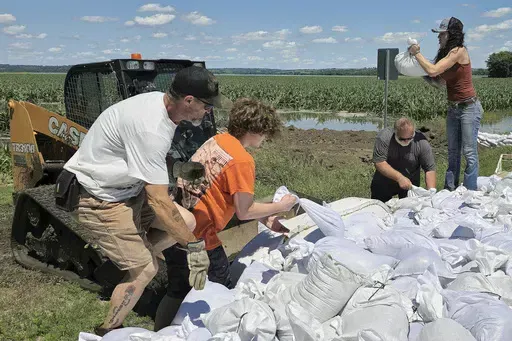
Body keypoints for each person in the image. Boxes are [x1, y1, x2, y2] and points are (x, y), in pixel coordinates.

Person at [61, 65, 231, 336]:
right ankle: (108, 330)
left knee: (186, 220)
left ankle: (133, 255)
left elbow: (151, 160)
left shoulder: (162, 107)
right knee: (146, 270)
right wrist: (196, 250)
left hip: (129, 188)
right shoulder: (151, 129)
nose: (208, 111)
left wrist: (177, 169)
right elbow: (159, 203)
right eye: (206, 105)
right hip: (101, 199)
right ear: (189, 100)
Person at [153, 98, 297, 330]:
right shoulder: (242, 160)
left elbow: (223, 194)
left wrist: (264, 217)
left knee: (177, 286)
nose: (266, 138)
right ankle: (211, 330)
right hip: (200, 235)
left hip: (177, 223)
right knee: (220, 285)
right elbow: (244, 210)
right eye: (265, 133)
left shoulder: (217, 140)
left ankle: (161, 332)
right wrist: (280, 206)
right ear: (254, 129)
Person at [409, 17, 483, 191]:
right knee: (453, 152)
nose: (438, 37)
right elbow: (438, 81)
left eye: (442, 34)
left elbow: (433, 70)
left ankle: (469, 192)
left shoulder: (458, 51)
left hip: (469, 108)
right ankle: (450, 190)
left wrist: (417, 54)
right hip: (454, 108)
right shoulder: (446, 55)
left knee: (470, 153)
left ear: (452, 34)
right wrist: (416, 68)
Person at [371, 117, 436, 202]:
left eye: (409, 138)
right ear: (395, 132)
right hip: (384, 180)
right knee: (378, 210)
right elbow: (379, 162)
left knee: (409, 211)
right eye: (402, 139)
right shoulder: (384, 138)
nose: (406, 141)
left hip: (410, 183)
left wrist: (431, 193)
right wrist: (400, 178)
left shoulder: (422, 142)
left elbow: (429, 169)